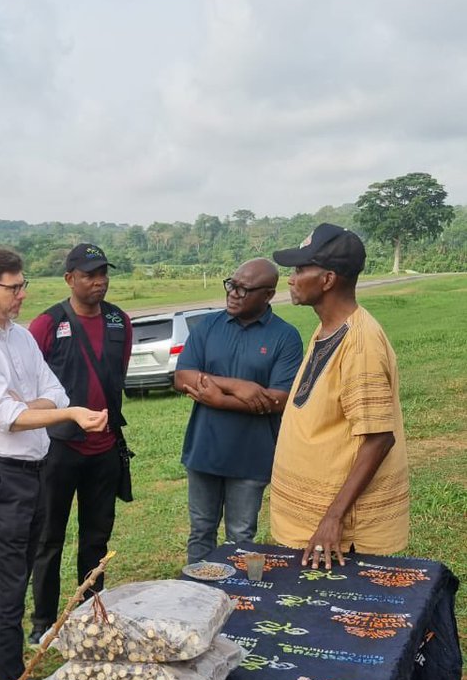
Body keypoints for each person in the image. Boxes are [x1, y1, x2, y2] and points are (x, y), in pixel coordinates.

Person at [0, 246, 109, 680]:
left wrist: (35, 404)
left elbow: (51, 392)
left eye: (23, 286)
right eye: (13, 287)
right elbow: (9, 416)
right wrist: (60, 410)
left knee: (11, 572)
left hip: (34, 468)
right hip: (1, 474)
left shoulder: (19, 337)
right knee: (10, 584)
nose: (22, 295)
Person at [270, 223, 409, 568]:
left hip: (339, 538)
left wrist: (333, 519)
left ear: (328, 279)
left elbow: (378, 438)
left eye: (301, 269)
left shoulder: (360, 343)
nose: (291, 278)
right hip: (310, 527)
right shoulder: (326, 329)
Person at [27, 243, 132, 643]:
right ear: (70, 278)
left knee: (96, 537)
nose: (99, 281)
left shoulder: (120, 321)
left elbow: (115, 376)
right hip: (59, 449)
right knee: (49, 539)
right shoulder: (48, 324)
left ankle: (92, 611)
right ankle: (43, 624)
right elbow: (30, 384)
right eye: (89, 274)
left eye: (103, 272)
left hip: (104, 450)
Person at [174, 258, 304, 562]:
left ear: (268, 294)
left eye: (244, 289)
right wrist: (240, 386)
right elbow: (182, 378)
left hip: (251, 455)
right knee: (201, 531)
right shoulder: (209, 326)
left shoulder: (285, 337)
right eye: (231, 284)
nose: (233, 293)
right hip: (204, 451)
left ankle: (238, 603)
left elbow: (279, 399)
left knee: (241, 536)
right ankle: (199, 600)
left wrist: (218, 399)